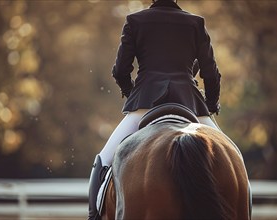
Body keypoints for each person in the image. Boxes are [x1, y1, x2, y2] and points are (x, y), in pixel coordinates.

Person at [88, 0, 221, 219]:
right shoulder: (195, 23)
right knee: (236, 159)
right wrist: (211, 105)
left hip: (145, 103)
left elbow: (121, 70)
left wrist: (133, 94)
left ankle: (93, 215)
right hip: (190, 103)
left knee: (103, 160)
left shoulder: (135, 21)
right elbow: (211, 74)